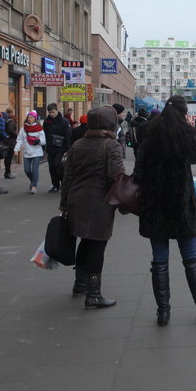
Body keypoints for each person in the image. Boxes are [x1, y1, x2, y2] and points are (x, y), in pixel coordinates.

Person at [134, 95, 196, 327]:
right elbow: (195, 157)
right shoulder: (185, 133)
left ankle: (163, 312)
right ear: (183, 112)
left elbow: (138, 174)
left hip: (155, 206)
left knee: (159, 261)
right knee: (191, 258)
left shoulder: (149, 134)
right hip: (181, 204)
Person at [59, 106, 125, 310]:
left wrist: (64, 203)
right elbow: (117, 176)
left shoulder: (78, 144)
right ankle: (94, 294)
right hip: (99, 202)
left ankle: (79, 284)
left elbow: (67, 176)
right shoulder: (111, 145)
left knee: (84, 242)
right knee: (96, 244)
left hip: (76, 200)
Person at [13, 111, 46, 194]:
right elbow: (19, 140)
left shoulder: (39, 128)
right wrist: (16, 149)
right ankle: (33, 181)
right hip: (27, 152)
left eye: (31, 117)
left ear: (35, 119)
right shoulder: (23, 129)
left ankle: (34, 186)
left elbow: (43, 141)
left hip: (37, 152)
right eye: (28, 117)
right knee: (27, 170)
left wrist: (38, 141)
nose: (30, 119)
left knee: (35, 170)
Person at [43, 103, 72, 193]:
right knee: (52, 168)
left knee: (58, 165)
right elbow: (44, 134)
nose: (51, 114)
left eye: (53, 112)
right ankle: (55, 186)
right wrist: (45, 147)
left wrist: (68, 149)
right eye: (50, 112)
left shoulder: (64, 121)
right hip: (51, 147)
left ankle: (64, 184)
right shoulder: (46, 122)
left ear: (57, 110)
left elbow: (68, 135)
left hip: (61, 148)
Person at [3, 108, 18, 179]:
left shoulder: (6, 119)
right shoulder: (11, 120)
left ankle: (7, 172)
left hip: (6, 141)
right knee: (9, 158)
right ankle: (7, 173)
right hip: (10, 142)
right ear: (12, 112)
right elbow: (10, 130)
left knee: (7, 158)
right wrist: (17, 135)